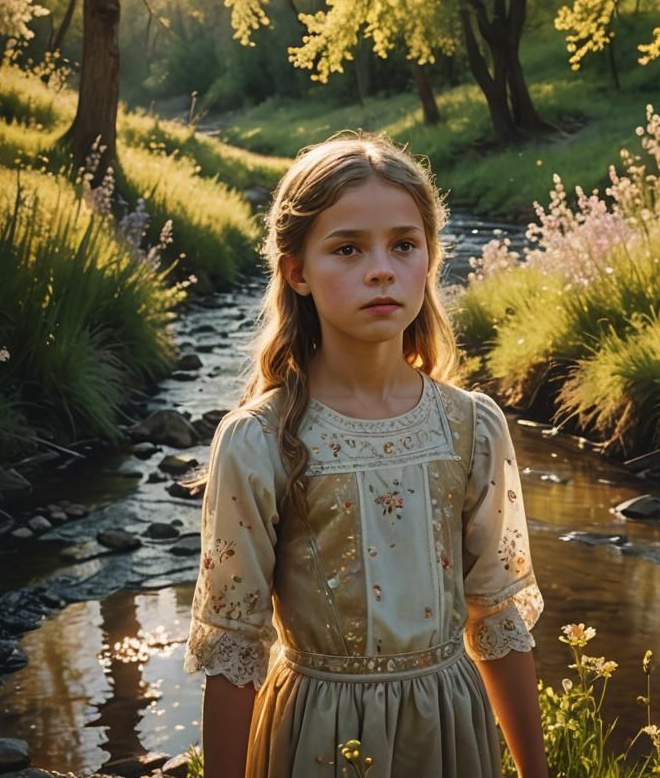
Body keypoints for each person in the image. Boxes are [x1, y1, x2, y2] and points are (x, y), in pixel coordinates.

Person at [183, 132, 548, 778]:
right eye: (347, 248)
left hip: (449, 731)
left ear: (429, 259)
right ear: (296, 272)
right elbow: (234, 649)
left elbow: (498, 620)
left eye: (404, 245)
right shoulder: (261, 439)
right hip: (317, 736)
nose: (382, 269)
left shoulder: (471, 427)